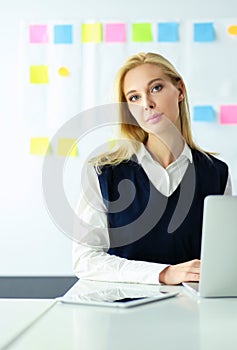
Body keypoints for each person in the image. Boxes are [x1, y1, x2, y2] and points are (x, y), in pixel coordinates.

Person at [72, 52, 232, 285]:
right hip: (121, 312)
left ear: (180, 90)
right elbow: (85, 260)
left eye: (155, 88)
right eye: (134, 97)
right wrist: (164, 273)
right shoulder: (103, 172)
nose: (147, 103)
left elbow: (221, 259)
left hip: (191, 313)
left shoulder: (216, 173)